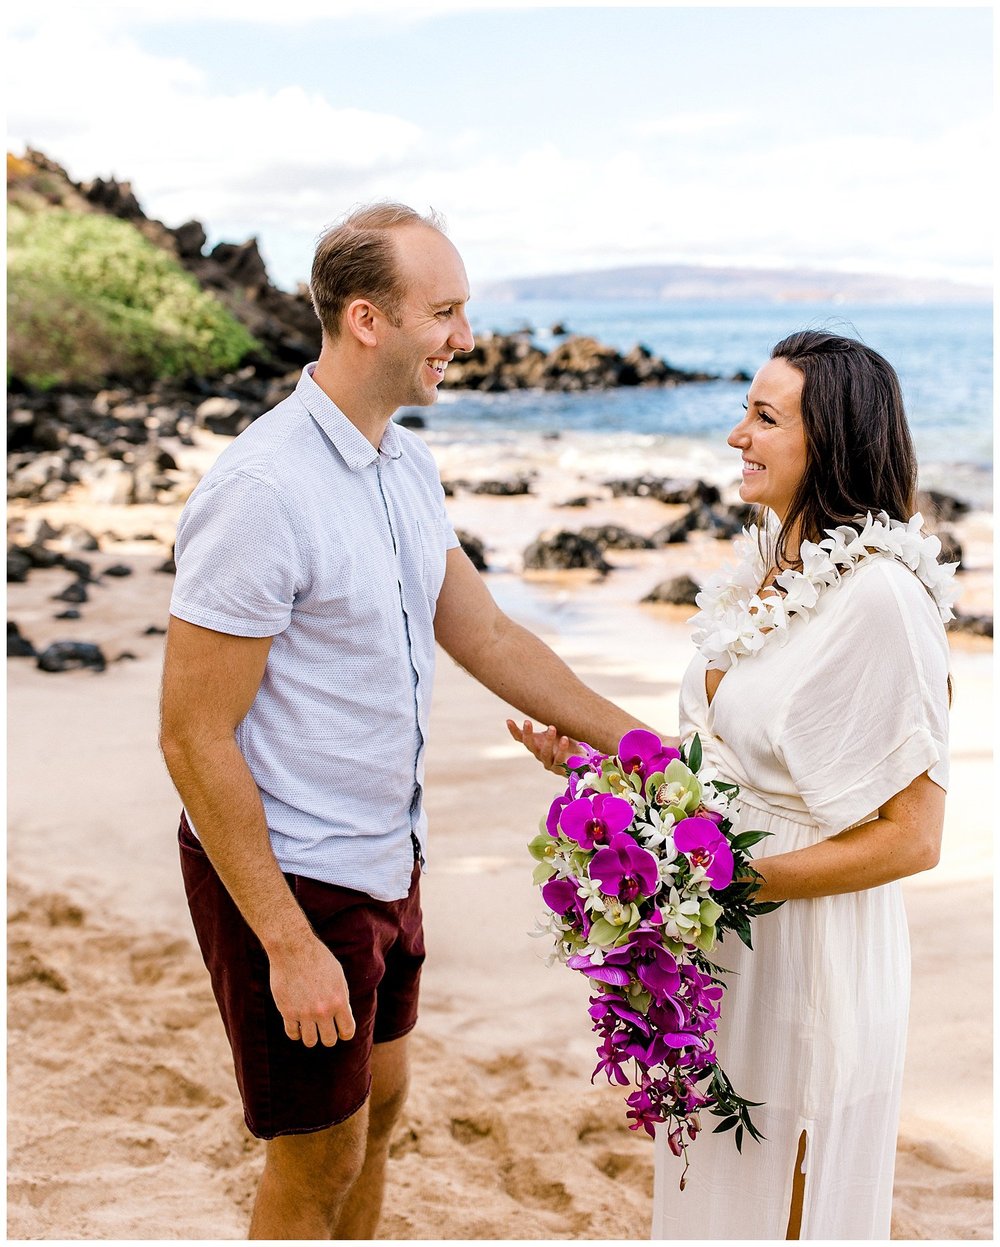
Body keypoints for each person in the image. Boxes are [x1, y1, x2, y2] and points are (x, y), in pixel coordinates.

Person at [158, 202, 644, 1240]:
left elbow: (490, 637)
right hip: (289, 872)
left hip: (390, 857)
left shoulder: (403, 464)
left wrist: (639, 743)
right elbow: (192, 738)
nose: (464, 338)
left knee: (377, 1123)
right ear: (368, 319)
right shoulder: (259, 488)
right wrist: (286, 942)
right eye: (446, 311)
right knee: (315, 1157)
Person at [510, 330, 952, 1240]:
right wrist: (600, 777)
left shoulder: (883, 598)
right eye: (744, 411)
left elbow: (915, 835)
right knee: (714, 1180)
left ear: (828, 439)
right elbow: (720, 766)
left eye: (763, 417)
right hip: (720, 942)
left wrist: (732, 883)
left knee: (787, 1186)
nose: (734, 436)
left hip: (809, 942)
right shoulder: (758, 574)